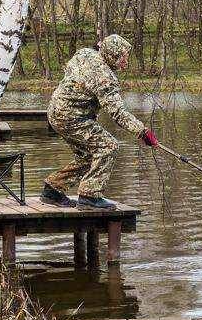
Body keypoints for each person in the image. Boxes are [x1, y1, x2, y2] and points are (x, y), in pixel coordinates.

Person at [42, 34, 158, 210]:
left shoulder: (85, 53)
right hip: (72, 117)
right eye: (122, 59)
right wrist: (142, 132)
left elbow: (70, 70)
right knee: (109, 146)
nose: (125, 63)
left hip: (55, 112)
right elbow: (117, 113)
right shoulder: (105, 77)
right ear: (112, 56)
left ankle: (52, 189)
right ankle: (89, 196)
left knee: (89, 155)